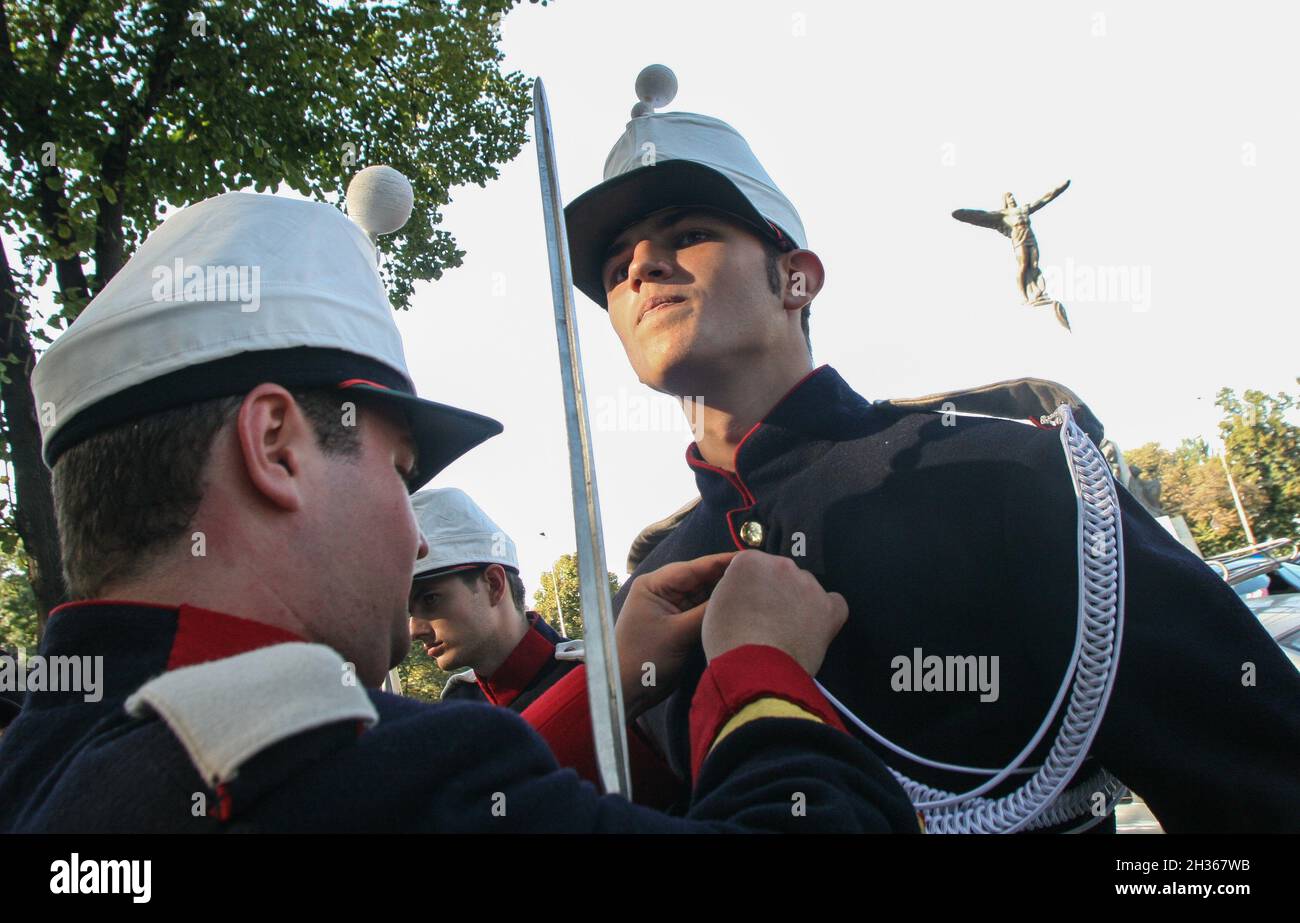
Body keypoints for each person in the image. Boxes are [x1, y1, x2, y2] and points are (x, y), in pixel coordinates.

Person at [0, 179, 919, 833]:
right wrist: (760, 674)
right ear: (275, 448)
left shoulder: (36, 751)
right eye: (399, 474)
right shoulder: (342, 765)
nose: (410, 530)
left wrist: (607, 682)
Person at [560, 68, 1300, 832]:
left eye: (689, 233)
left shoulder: (1013, 475)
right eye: (617, 268)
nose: (642, 266)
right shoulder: (647, 599)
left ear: (796, 278)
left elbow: (1264, 790)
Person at [407, 488, 579, 710]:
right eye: (409, 611)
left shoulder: (604, 679)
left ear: (494, 584)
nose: (414, 631)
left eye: (430, 599)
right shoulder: (458, 704)